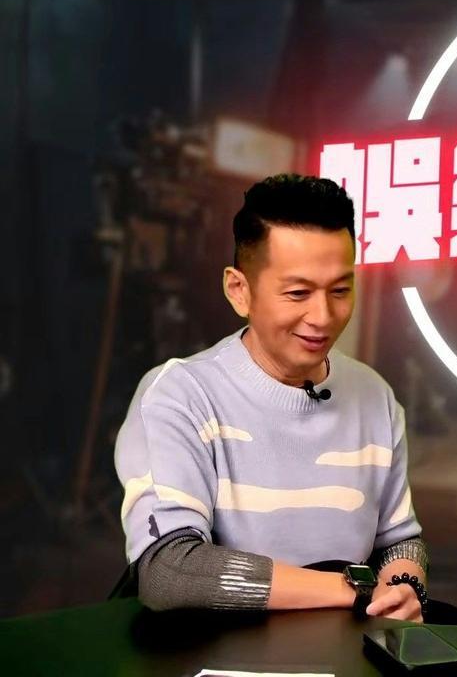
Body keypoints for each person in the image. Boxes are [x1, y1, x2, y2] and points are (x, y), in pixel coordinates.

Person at [115, 174, 431, 622]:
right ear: (239, 291)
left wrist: (403, 588)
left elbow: (399, 540)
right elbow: (169, 569)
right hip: (221, 648)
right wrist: (353, 590)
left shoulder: (375, 396)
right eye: (298, 293)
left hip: (346, 647)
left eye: (340, 290)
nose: (323, 316)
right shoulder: (180, 396)